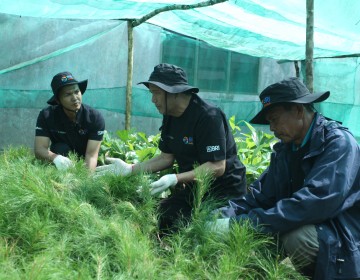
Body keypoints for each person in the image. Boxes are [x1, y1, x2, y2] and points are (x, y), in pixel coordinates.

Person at [207, 77, 360, 279]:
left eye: (274, 119)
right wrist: (224, 214)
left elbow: (314, 203)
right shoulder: (286, 150)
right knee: (262, 234)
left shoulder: (338, 143)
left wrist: (241, 224)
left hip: (343, 233)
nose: (271, 128)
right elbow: (260, 196)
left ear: (298, 110)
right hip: (311, 223)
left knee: (296, 237)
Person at [96, 63, 247, 235]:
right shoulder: (170, 116)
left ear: (175, 92)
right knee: (156, 218)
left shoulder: (208, 116)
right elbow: (166, 158)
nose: (153, 100)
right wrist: (130, 169)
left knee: (202, 232)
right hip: (194, 190)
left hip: (224, 193)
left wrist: (175, 178)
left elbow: (217, 167)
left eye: (156, 93)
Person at [34, 71, 105, 171]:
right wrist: (56, 158)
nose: (75, 98)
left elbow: (91, 155)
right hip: (63, 160)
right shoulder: (47, 115)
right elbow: (39, 149)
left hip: (87, 159)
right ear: (58, 100)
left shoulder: (94, 117)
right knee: (59, 148)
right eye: (68, 94)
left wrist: (86, 182)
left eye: (76, 92)